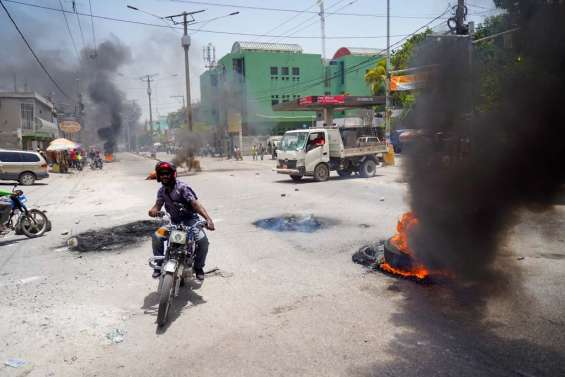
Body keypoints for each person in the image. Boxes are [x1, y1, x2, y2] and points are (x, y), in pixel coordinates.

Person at [148, 161, 215, 280]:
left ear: (173, 174)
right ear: (158, 176)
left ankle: (199, 267)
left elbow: (195, 204)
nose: (165, 176)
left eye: (167, 173)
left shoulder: (182, 188)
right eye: (162, 174)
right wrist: (152, 211)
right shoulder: (161, 191)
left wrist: (208, 219)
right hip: (173, 223)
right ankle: (158, 265)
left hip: (190, 221)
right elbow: (157, 205)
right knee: (157, 236)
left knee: (203, 241)